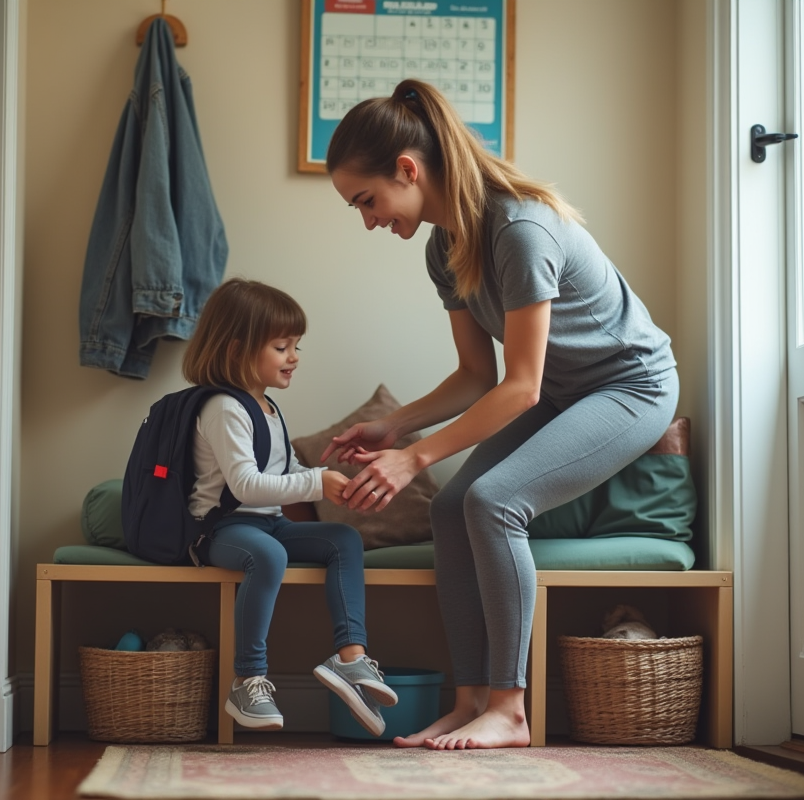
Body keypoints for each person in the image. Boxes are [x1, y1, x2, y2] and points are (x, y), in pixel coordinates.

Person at [322, 79, 679, 750]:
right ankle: (473, 700)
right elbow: (476, 376)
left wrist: (416, 456)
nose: (368, 219)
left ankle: (511, 710)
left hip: (630, 386)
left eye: (366, 201)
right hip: (558, 391)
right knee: (448, 509)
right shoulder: (443, 249)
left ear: (408, 169)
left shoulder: (518, 228)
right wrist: (395, 429)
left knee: (493, 501)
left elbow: (518, 386)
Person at [183, 277, 399, 736]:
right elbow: (243, 486)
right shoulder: (224, 407)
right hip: (225, 528)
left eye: (295, 345)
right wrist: (315, 483)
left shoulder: (267, 407)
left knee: (343, 539)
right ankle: (248, 679)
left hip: (270, 522)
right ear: (238, 349)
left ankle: (351, 660)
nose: (295, 357)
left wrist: (330, 481)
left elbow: (283, 469)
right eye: (282, 347)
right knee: (268, 555)